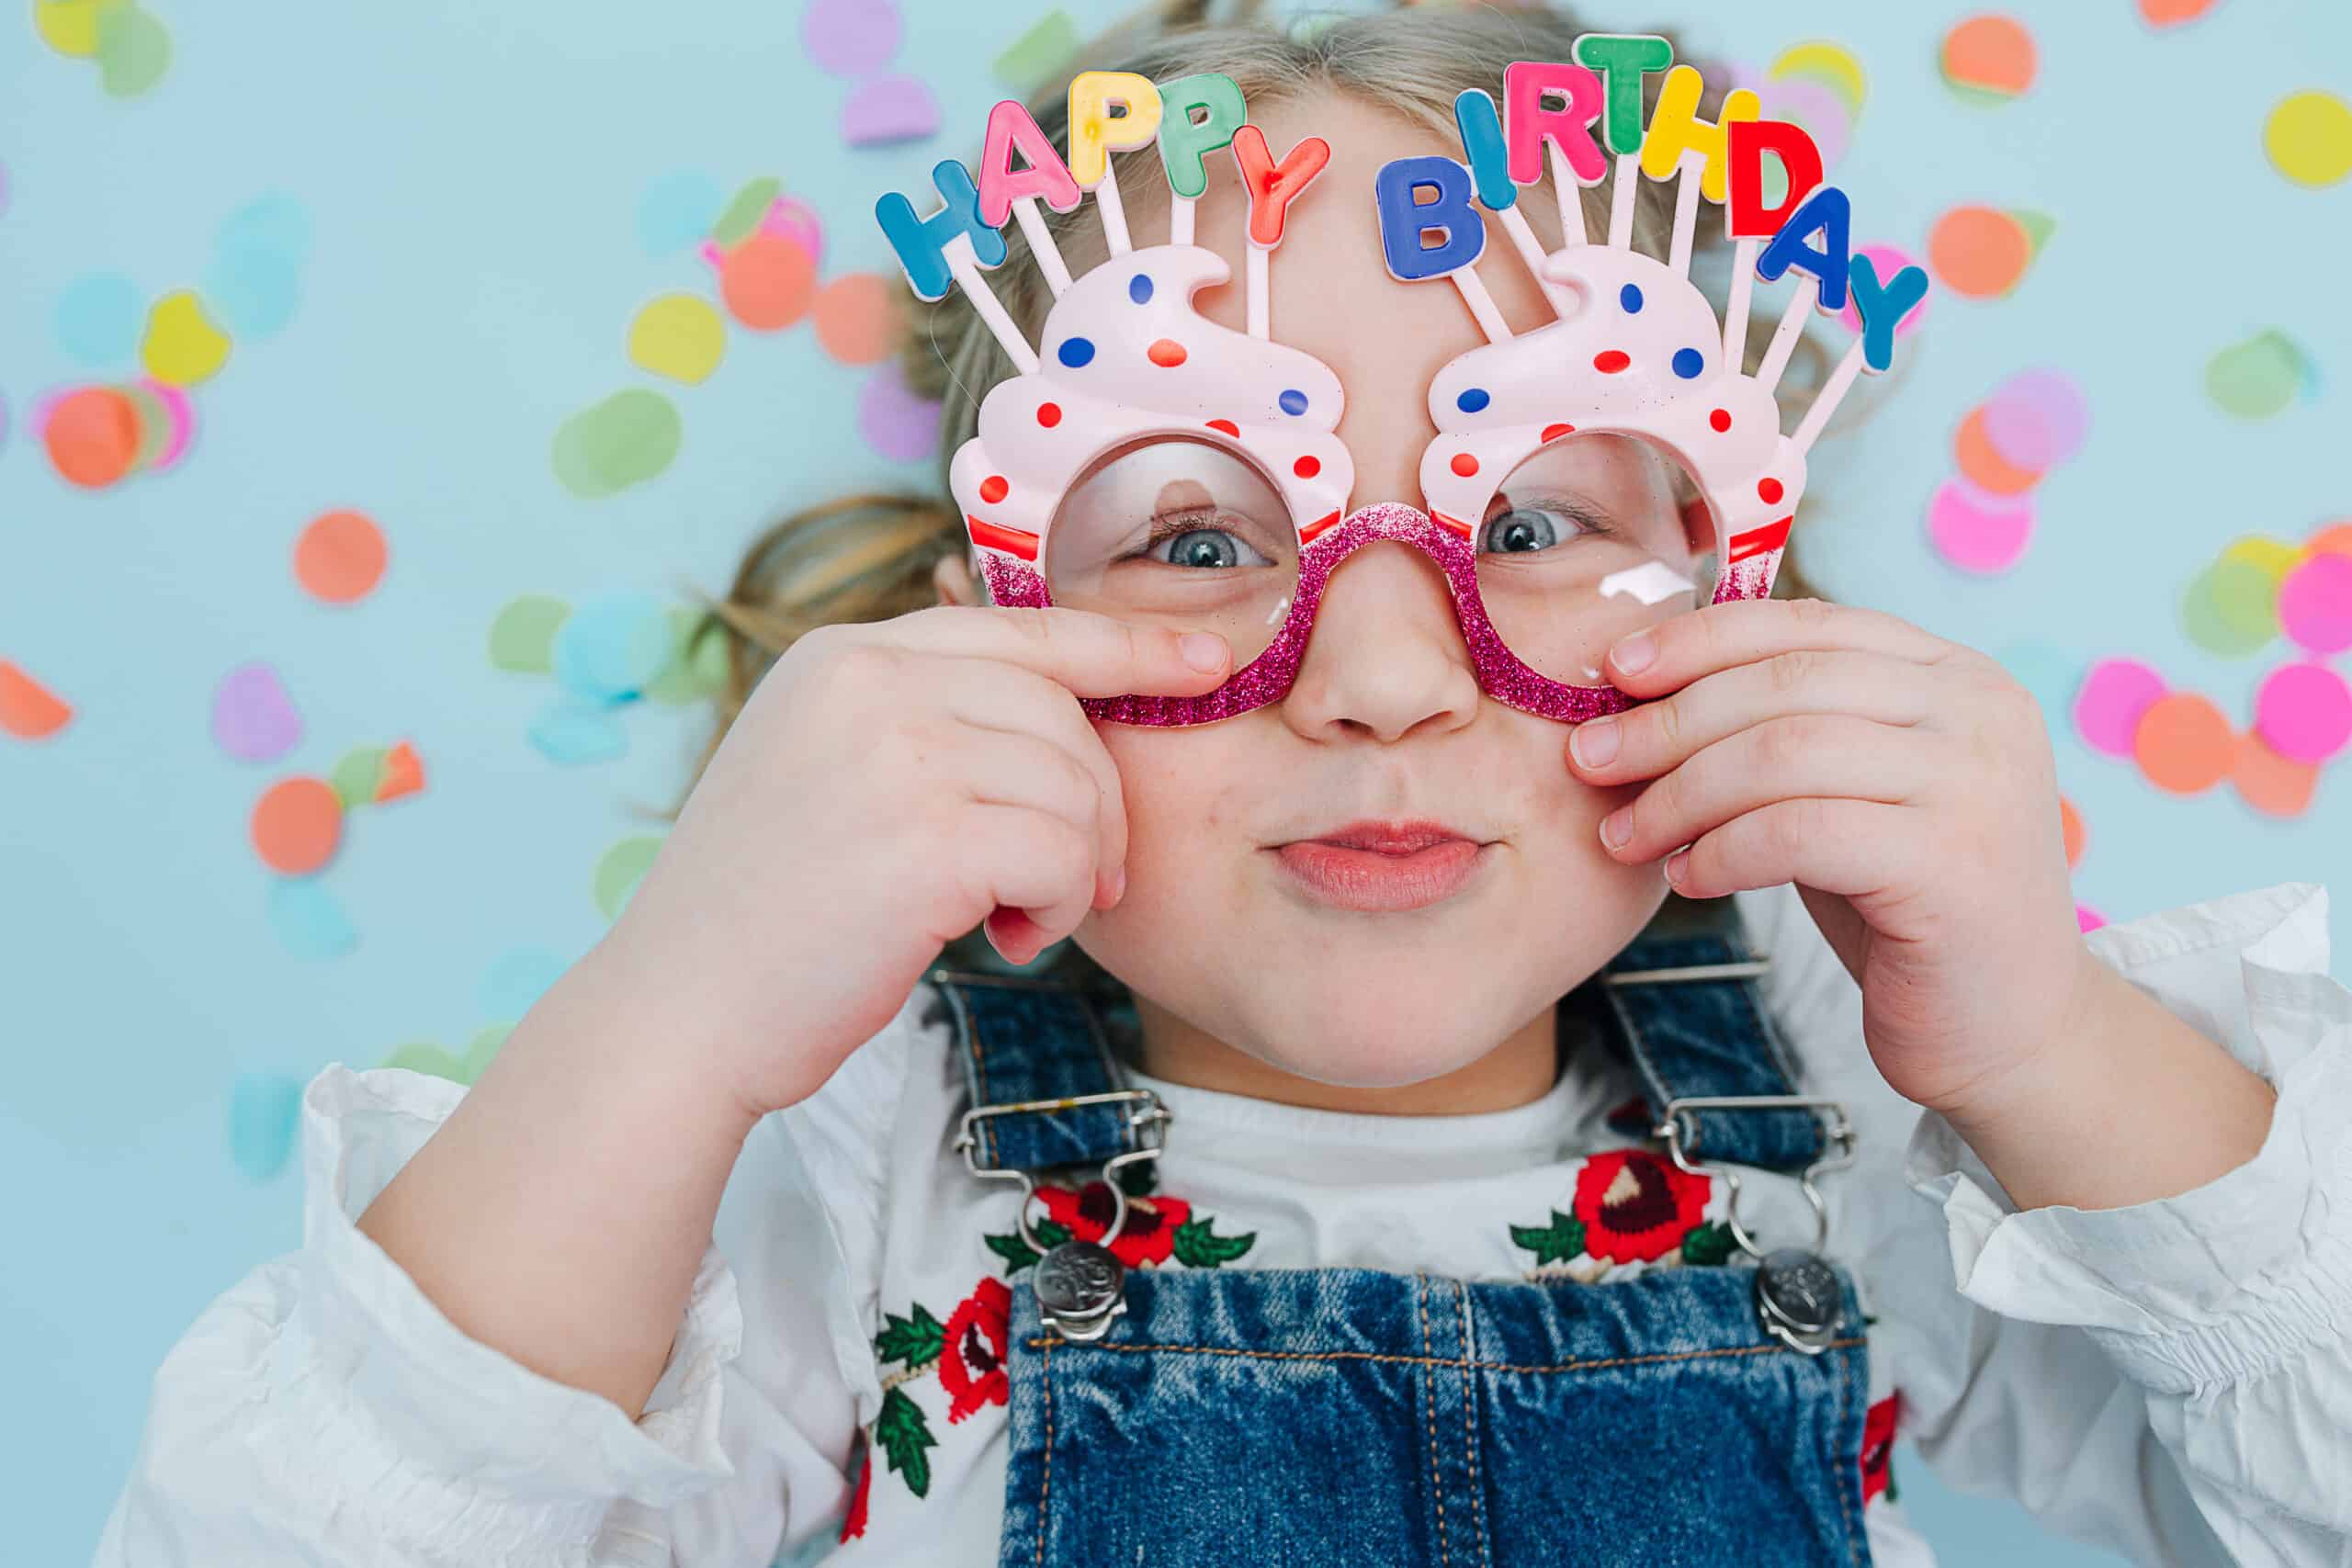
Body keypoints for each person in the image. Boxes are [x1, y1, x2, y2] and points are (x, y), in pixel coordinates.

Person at [97, 6, 2350, 1565]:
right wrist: (671, 1012)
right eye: (1193, 533)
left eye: (1539, 521)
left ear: (1746, 599)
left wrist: (2046, 1043)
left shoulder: (1863, 1111)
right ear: (992, 623)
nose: (1376, 675)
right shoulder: (862, 1147)